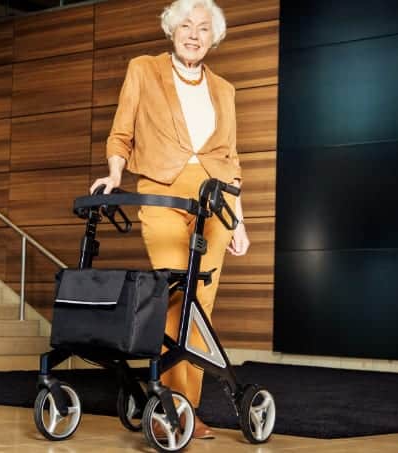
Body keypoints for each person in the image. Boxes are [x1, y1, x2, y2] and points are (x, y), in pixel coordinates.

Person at [90, 0, 250, 439]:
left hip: (216, 201)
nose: (194, 34)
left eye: (203, 28)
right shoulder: (143, 69)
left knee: (203, 304)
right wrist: (115, 173)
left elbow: (231, 161)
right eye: (186, 25)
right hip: (162, 192)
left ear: (213, 37)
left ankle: (185, 408)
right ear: (171, 30)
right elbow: (122, 130)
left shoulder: (225, 90)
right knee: (173, 293)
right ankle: (167, 401)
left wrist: (239, 221)